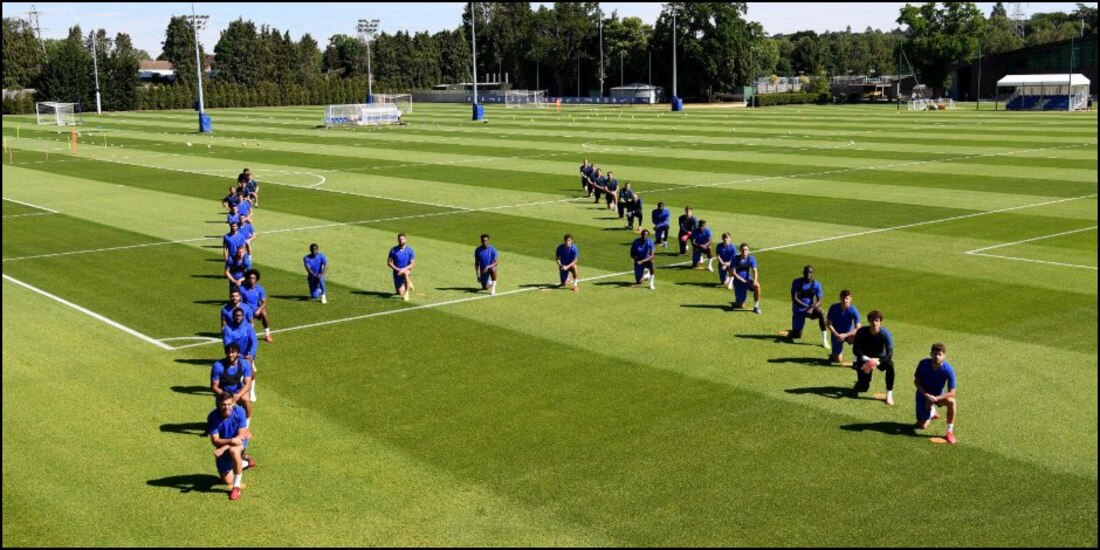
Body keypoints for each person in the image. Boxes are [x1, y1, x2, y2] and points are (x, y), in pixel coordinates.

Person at [207, 391, 255, 501]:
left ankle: (236, 488)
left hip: (240, 440)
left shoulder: (240, 412)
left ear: (233, 402)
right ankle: (245, 462)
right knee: (227, 480)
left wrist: (224, 447)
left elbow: (241, 435)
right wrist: (231, 440)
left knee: (234, 451)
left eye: (229, 404)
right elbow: (215, 441)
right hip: (228, 441)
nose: (226, 407)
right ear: (219, 403)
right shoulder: (213, 417)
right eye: (223, 404)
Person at [914, 342, 958, 444]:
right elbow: (916, 382)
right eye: (934, 354)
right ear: (931, 354)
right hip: (923, 394)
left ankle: (949, 432)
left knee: (952, 402)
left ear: (944, 355)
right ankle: (932, 412)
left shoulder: (948, 370)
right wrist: (927, 396)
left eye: (939, 354)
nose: (937, 356)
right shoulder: (923, 364)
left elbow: (952, 393)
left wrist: (936, 398)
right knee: (922, 426)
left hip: (938, 396)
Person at [852, 310, 895, 405]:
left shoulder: (886, 334)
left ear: (880, 322)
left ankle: (889, 394)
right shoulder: (861, 332)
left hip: (879, 358)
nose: (874, 323)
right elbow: (855, 349)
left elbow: (889, 354)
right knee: (863, 388)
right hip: (866, 358)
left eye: (877, 320)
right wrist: (866, 358)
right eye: (872, 320)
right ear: (869, 321)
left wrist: (878, 361)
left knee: (890, 366)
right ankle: (866, 378)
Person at [222, 307, 259, 402]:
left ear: (243, 316)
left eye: (240, 315)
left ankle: (252, 391)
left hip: (248, 356)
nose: (238, 317)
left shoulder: (248, 327)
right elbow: (228, 344)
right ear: (233, 316)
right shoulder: (227, 329)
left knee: (252, 372)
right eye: (236, 316)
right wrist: (239, 356)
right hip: (234, 356)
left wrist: (250, 354)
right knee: (234, 374)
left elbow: (254, 341)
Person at [210, 343, 253, 422]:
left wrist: (238, 395)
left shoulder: (244, 364)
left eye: (233, 352)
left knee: (246, 400)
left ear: (238, 353)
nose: (230, 355)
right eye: (228, 352)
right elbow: (214, 387)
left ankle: (246, 425)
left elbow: (248, 384)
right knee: (225, 415)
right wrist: (227, 396)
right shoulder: (218, 366)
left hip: (238, 392)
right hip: (224, 393)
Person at [826, 290, 861, 364]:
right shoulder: (833, 308)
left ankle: (856, 360)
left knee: (858, 338)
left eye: (847, 298)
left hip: (848, 334)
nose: (845, 301)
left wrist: (845, 335)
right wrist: (836, 334)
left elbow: (858, 328)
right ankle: (833, 355)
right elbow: (828, 324)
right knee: (838, 360)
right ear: (840, 298)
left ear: (850, 299)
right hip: (836, 335)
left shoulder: (854, 310)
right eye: (843, 298)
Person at [240, 269, 273, 342]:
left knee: (264, 313)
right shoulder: (242, 289)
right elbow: (240, 303)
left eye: (253, 278)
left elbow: (264, 302)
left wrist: (259, 310)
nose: (251, 280)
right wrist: (246, 311)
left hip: (256, 309)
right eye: (250, 278)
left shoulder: (260, 289)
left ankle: (267, 334)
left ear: (256, 279)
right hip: (246, 310)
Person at [731, 243, 761, 314]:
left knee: (757, 286)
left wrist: (755, 281)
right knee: (741, 305)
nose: (744, 252)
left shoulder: (751, 259)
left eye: (746, 250)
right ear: (740, 250)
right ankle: (738, 301)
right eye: (742, 250)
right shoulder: (735, 259)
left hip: (748, 281)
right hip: (738, 283)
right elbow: (733, 273)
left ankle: (756, 307)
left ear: (748, 250)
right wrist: (743, 281)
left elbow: (755, 271)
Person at [387, 233, 415, 301]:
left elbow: (412, 264)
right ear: (397, 240)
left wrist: (404, 269)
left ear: (406, 240)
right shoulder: (393, 250)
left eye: (402, 239)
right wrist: (397, 269)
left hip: (406, 270)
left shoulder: (410, 250)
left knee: (405, 273)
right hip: (397, 272)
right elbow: (389, 263)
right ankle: (409, 283)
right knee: (400, 293)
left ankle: (407, 293)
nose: (401, 241)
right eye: (399, 239)